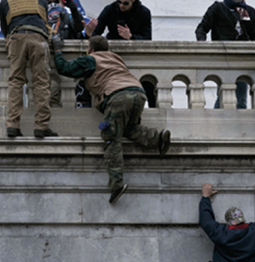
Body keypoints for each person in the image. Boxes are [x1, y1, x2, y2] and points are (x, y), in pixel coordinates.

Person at [53, 35, 171, 203]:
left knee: (111, 137)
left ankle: (116, 183)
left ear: (91, 49)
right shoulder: (116, 59)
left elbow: (64, 68)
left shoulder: (91, 59)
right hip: (138, 93)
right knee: (128, 129)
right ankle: (158, 139)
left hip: (117, 96)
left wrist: (57, 50)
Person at [0, 0, 58, 138]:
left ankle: (12, 125)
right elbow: (44, 20)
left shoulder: (6, 1)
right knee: (41, 82)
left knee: (16, 81)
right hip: (38, 38)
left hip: (16, 37)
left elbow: (5, 28)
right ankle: (41, 126)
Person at [197, 0, 255, 110]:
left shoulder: (249, 11)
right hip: (223, 56)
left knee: (241, 96)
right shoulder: (218, 8)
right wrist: (203, 45)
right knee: (224, 94)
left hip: (242, 58)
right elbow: (202, 28)